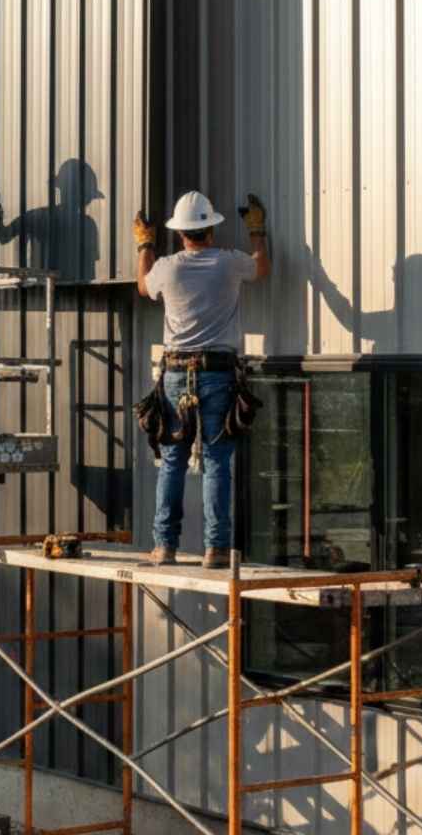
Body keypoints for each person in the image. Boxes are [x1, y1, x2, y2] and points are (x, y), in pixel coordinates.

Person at [134, 191, 270, 568]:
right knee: (216, 460)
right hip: (218, 372)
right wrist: (256, 230)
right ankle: (217, 549)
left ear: (181, 233)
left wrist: (144, 243)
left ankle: (165, 546)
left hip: (176, 374)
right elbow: (260, 268)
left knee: (174, 460)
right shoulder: (228, 264)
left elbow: (144, 286)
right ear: (211, 228)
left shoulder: (168, 266)